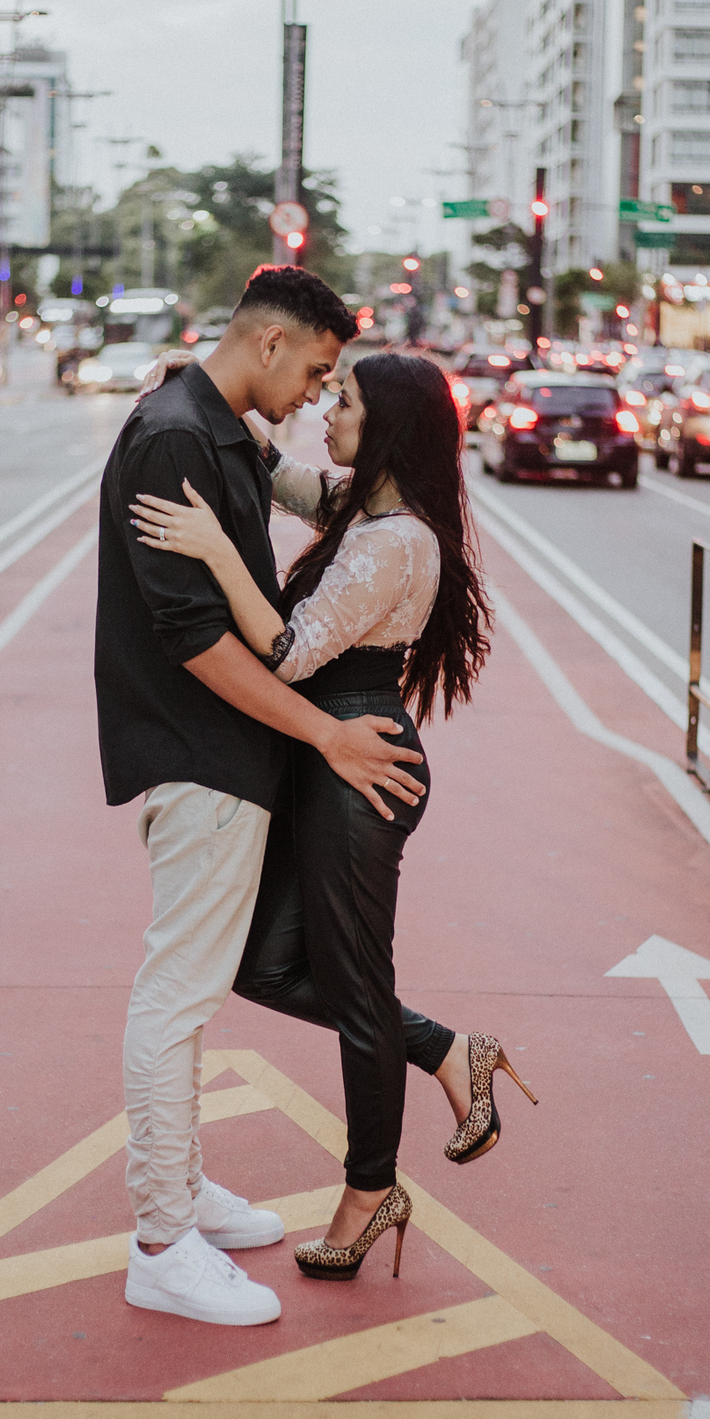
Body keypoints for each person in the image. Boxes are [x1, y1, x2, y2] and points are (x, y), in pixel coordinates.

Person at [131, 349, 535, 1288]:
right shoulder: (364, 509)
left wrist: (215, 549)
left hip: (363, 767)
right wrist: (203, 383)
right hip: (331, 757)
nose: (327, 411)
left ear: (385, 423)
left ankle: (370, 1191)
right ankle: (445, 1050)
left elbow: (284, 650)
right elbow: (279, 474)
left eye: (344, 401)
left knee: (358, 994)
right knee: (262, 967)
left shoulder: (398, 541)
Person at [95, 267, 427, 1328]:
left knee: (188, 994)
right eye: (319, 374)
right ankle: (160, 1240)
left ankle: (182, 1196)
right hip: (203, 752)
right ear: (272, 344)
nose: (316, 399)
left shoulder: (207, 424)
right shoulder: (180, 437)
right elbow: (196, 638)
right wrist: (327, 734)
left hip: (224, 756)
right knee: (178, 996)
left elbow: (314, 494)